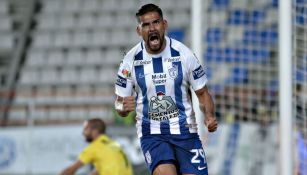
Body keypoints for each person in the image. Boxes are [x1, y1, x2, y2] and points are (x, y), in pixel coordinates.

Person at [114, 3, 218, 175]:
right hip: (152, 134)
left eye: (156, 22)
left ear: (164, 25)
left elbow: (203, 93)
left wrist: (209, 116)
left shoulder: (184, 54)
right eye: (146, 25)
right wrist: (122, 108)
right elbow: (119, 103)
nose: (151, 28)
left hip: (186, 132)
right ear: (139, 30)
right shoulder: (129, 61)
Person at [60, 118, 133, 175]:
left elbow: (70, 171)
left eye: (86, 129)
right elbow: (99, 171)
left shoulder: (94, 147)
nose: (83, 132)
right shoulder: (114, 144)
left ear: (95, 131)